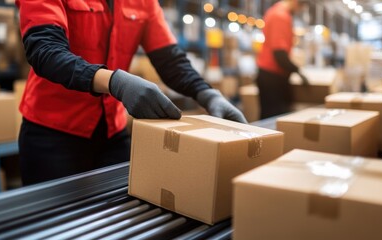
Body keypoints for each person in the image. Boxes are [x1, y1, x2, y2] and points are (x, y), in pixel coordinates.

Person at [16, 0, 247, 185]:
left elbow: (170, 60)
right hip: (52, 133)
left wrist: (207, 94)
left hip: (111, 133)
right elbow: (45, 52)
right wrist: (115, 82)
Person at [256, 0, 309, 119]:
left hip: (270, 74)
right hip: (272, 77)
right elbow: (279, 54)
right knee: (273, 120)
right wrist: (297, 70)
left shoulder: (275, 11)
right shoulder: (280, 16)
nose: (299, 11)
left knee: (270, 117)